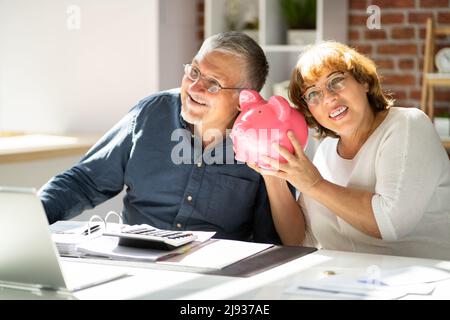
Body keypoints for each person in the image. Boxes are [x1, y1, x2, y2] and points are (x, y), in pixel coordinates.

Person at [39, 31, 281, 244]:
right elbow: (84, 182)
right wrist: (32, 216)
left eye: (213, 84)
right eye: (194, 71)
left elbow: (269, 238)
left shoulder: (264, 141)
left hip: (217, 279)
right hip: (135, 264)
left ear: (245, 99)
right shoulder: (152, 112)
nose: (194, 87)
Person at [248, 41, 450, 259]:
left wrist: (314, 184)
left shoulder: (408, 125)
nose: (328, 97)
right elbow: (299, 240)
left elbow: (390, 224)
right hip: (342, 280)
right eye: (313, 94)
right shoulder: (325, 151)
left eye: (336, 81)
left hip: (420, 282)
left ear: (363, 81)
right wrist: (274, 174)